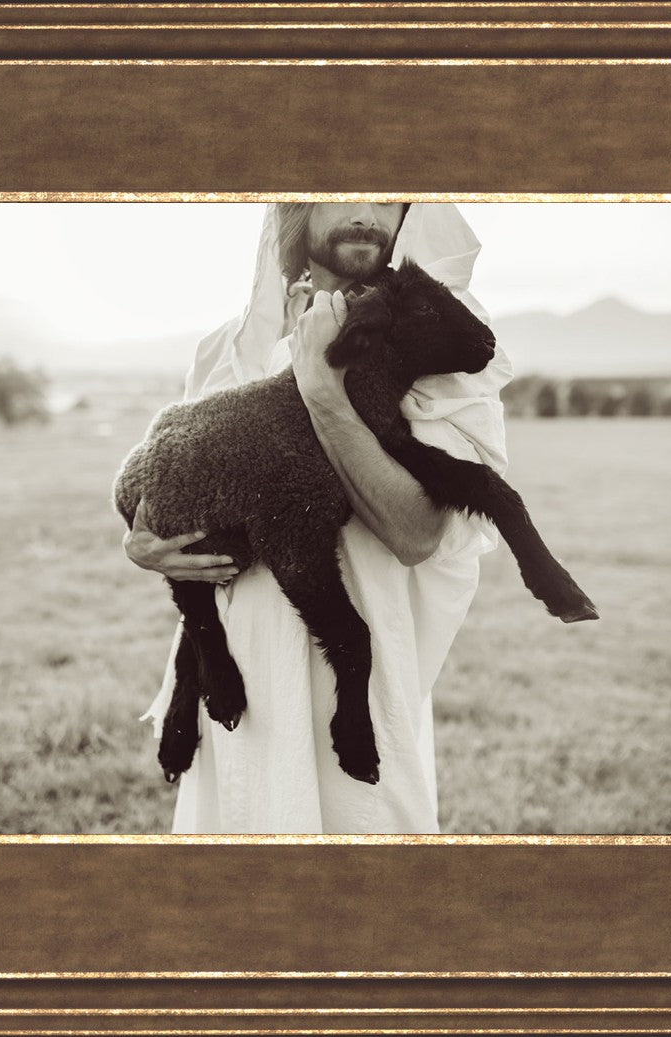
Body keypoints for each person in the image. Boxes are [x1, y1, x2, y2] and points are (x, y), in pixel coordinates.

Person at [123, 201, 512, 834]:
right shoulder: (226, 347)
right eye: (338, 189)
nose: (363, 211)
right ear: (296, 208)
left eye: (385, 196)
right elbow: (180, 486)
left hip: (353, 683)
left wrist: (323, 391)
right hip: (235, 677)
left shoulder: (430, 342)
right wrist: (143, 545)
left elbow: (418, 534)